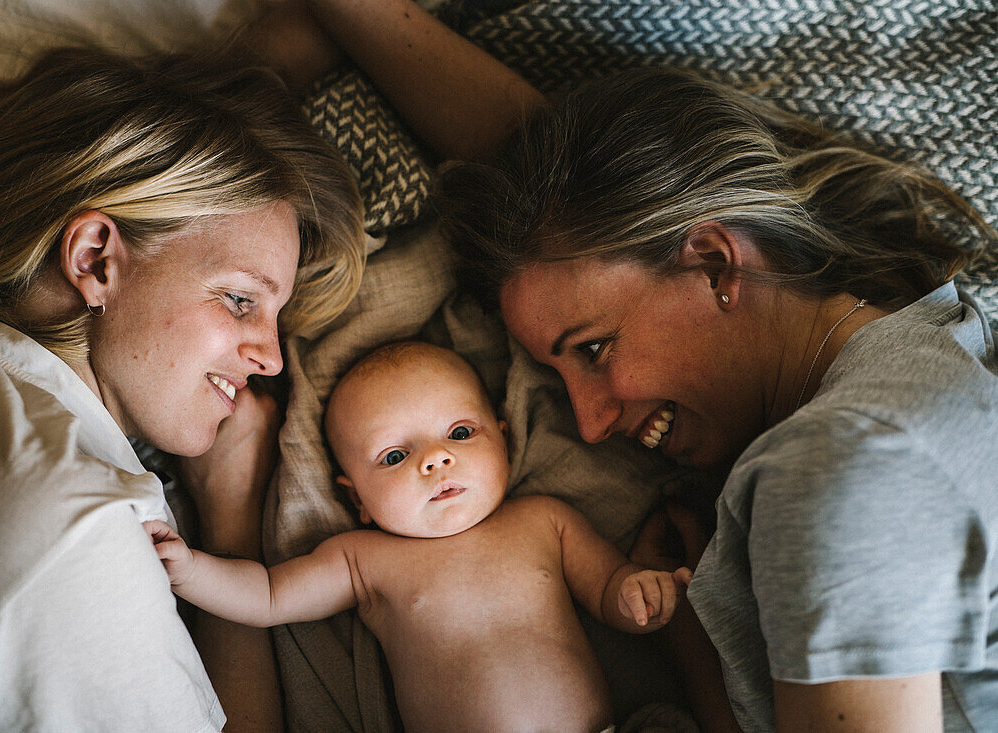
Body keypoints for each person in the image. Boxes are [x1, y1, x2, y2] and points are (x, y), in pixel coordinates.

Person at [250, 0, 998, 730]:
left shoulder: (840, 472)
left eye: (594, 349)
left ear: (712, 263)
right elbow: (568, 210)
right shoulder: (933, 336)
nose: (589, 420)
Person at [0, 45, 365, 731]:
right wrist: (232, 517)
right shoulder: (70, 536)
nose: (269, 357)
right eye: (240, 301)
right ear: (94, 258)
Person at [146, 340, 693, 733]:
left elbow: (608, 591)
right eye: (395, 456)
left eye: (459, 433)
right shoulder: (365, 560)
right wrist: (193, 570)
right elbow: (267, 595)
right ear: (357, 498)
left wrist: (636, 595)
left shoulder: (545, 521)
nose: (436, 458)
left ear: (503, 440)